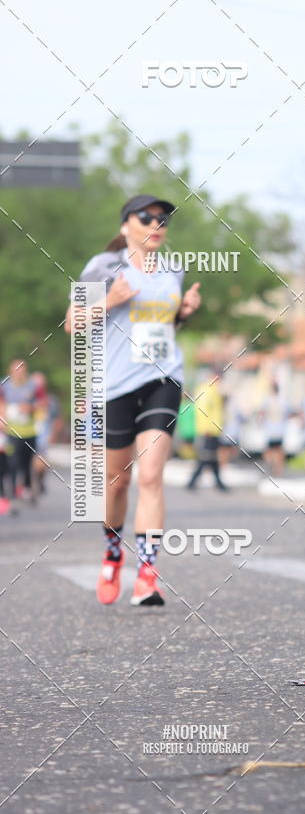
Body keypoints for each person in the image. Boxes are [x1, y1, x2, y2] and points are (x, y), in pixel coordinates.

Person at [65, 194, 201, 606]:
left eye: (163, 219)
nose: (157, 225)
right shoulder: (103, 266)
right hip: (114, 385)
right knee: (117, 482)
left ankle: (147, 575)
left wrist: (183, 313)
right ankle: (112, 553)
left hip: (162, 378)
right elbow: (72, 323)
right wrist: (109, 301)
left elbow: (163, 325)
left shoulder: (173, 270)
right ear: (126, 225)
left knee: (151, 475)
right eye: (147, 217)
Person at [1, 359, 45, 504]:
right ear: (10, 371)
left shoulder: (33, 385)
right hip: (11, 431)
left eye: (21, 369)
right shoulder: (4, 385)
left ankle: (26, 488)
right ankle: (12, 490)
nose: (18, 372)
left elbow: (43, 403)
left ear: (25, 371)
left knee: (27, 462)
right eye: (16, 369)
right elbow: (1, 403)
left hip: (29, 431)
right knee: (12, 460)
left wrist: (31, 408)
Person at [186, 371, 228, 491]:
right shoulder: (207, 390)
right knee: (206, 457)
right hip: (208, 430)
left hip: (213, 430)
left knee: (212, 457)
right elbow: (203, 411)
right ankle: (193, 481)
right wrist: (206, 428)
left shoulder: (214, 391)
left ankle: (218, 482)